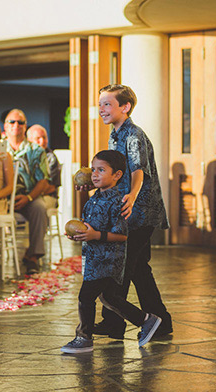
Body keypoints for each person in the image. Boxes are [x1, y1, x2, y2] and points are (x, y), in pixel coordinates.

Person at [61, 150, 161, 354]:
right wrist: (79, 235)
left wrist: (96, 236)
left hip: (108, 261)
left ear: (117, 175)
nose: (94, 174)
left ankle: (84, 337)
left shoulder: (118, 202)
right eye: (93, 169)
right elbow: (89, 228)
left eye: (101, 170)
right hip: (94, 260)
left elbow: (122, 236)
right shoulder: (93, 200)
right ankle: (147, 320)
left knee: (85, 297)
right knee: (110, 298)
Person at [94, 84, 172, 339]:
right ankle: (161, 322)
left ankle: (122, 322)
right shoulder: (114, 134)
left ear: (124, 107)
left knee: (121, 268)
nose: (102, 108)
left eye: (107, 103)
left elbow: (139, 170)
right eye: (101, 103)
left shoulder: (133, 135)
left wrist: (133, 195)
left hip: (139, 214)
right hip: (126, 212)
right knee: (139, 269)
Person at [4, 109, 50, 275]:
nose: (16, 125)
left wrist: (29, 197)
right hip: (2, 198)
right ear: (5, 126)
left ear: (25, 126)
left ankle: (33, 257)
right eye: (12, 122)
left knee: (40, 208)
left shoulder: (36, 151)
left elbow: (43, 180)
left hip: (28, 197)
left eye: (21, 122)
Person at [27, 124, 61, 209]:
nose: (42, 141)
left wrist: (31, 196)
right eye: (38, 138)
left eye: (44, 138)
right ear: (29, 140)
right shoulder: (24, 156)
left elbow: (51, 187)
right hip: (29, 195)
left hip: (47, 196)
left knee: (37, 206)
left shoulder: (51, 158)